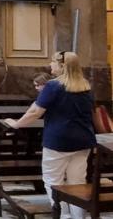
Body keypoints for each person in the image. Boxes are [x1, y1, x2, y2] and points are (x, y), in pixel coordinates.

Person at [6, 52, 95, 219]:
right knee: (77, 183)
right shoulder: (85, 85)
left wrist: (16, 124)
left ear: (62, 66)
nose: (50, 64)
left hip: (58, 140)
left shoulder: (54, 86)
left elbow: (35, 112)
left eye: (53, 61)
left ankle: (63, 216)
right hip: (83, 140)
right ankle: (78, 217)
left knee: (54, 181)